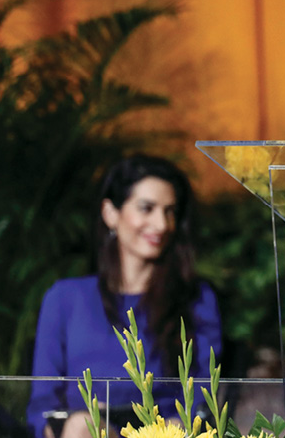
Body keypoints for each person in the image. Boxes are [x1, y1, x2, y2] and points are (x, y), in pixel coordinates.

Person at [27, 154, 223, 438]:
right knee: (83, 426)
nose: (161, 224)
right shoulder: (65, 298)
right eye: (147, 208)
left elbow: (204, 400)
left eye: (170, 211)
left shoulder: (196, 297)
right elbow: (42, 404)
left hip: (162, 433)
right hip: (83, 432)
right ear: (110, 213)